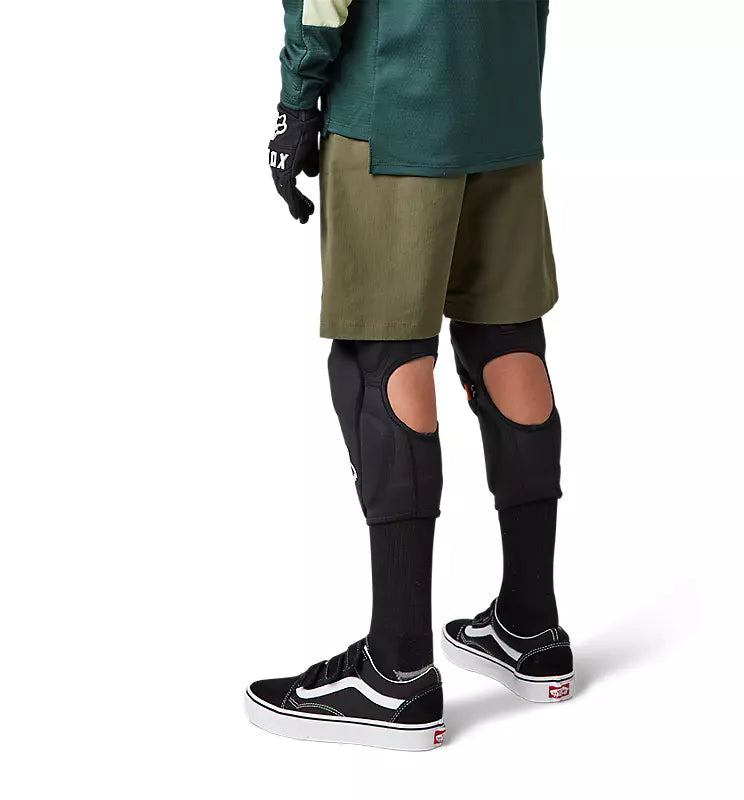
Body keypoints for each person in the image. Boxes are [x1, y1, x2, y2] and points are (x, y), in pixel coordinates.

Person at [245, 0, 573, 751]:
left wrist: (296, 100)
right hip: (503, 102)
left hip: (395, 104)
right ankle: (531, 626)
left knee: (383, 371)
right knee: (509, 349)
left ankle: (395, 671)